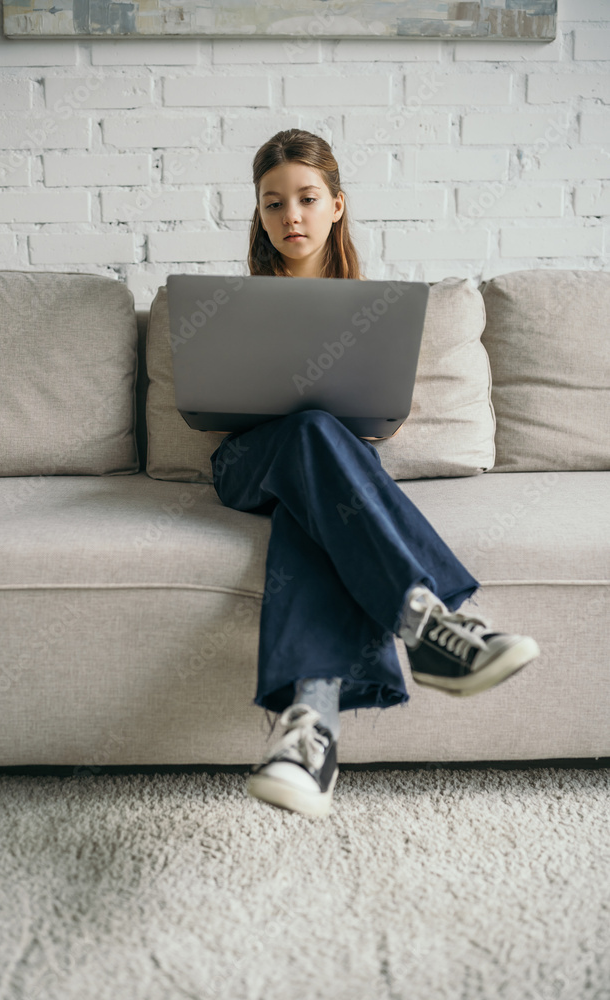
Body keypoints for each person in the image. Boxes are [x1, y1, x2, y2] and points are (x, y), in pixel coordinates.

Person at [208, 129, 539, 820]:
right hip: (249, 462)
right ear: (259, 215)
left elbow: (382, 424)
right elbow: (211, 413)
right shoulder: (231, 304)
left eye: (305, 199)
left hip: (326, 476)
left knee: (319, 508)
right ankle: (428, 623)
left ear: (336, 206)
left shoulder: (367, 309)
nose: (289, 216)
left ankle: (309, 731)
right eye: (273, 203)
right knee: (306, 433)